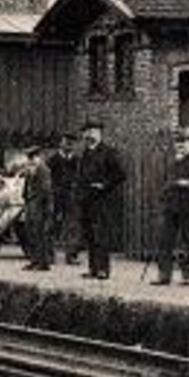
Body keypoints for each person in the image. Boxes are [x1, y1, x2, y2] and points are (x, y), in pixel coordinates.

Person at [154, 126, 189, 286]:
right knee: (165, 242)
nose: (181, 145)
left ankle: (188, 276)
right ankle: (164, 275)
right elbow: (166, 183)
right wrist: (164, 196)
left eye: (184, 142)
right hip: (170, 208)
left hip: (188, 208)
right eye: (178, 142)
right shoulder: (171, 163)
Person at [76, 118, 125, 279]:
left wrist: (103, 185)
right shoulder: (85, 153)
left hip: (102, 201)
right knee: (90, 235)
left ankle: (103, 269)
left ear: (100, 134)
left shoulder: (108, 152)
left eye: (93, 131)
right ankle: (93, 269)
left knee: (101, 235)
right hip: (86, 201)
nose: (89, 135)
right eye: (87, 132)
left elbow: (120, 174)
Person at [47, 131, 81, 263]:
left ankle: (71, 255)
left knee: (73, 225)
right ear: (61, 144)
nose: (68, 146)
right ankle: (49, 254)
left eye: (71, 143)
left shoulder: (77, 161)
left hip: (71, 196)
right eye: (66, 143)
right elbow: (48, 179)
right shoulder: (53, 160)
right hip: (55, 196)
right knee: (52, 225)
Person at [21, 144, 55, 271]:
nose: (30, 160)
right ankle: (34, 260)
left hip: (39, 205)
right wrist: (25, 199)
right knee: (31, 233)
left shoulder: (44, 170)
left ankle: (43, 263)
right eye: (29, 157)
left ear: (39, 157)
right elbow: (26, 187)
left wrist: (46, 208)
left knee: (40, 233)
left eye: (33, 157)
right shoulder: (31, 169)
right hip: (31, 203)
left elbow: (46, 190)